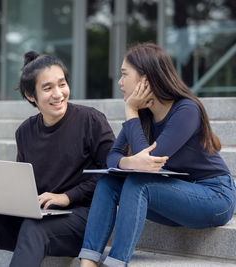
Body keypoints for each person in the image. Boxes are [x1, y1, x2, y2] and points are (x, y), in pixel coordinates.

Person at [0, 51, 115, 267]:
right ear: (30, 95)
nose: (58, 94)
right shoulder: (25, 132)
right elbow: (24, 184)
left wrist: (68, 196)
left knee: (34, 226)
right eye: (47, 88)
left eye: (62, 84)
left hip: (84, 219)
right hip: (43, 216)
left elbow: (112, 174)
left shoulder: (90, 120)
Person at [79, 42, 236, 267]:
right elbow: (112, 156)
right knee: (108, 182)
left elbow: (151, 162)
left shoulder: (186, 109)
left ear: (146, 79)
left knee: (137, 183)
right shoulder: (144, 115)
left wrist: (131, 111)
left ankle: (115, 263)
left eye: (124, 75)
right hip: (175, 194)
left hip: (214, 196)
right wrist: (128, 161)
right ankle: (88, 261)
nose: (120, 83)